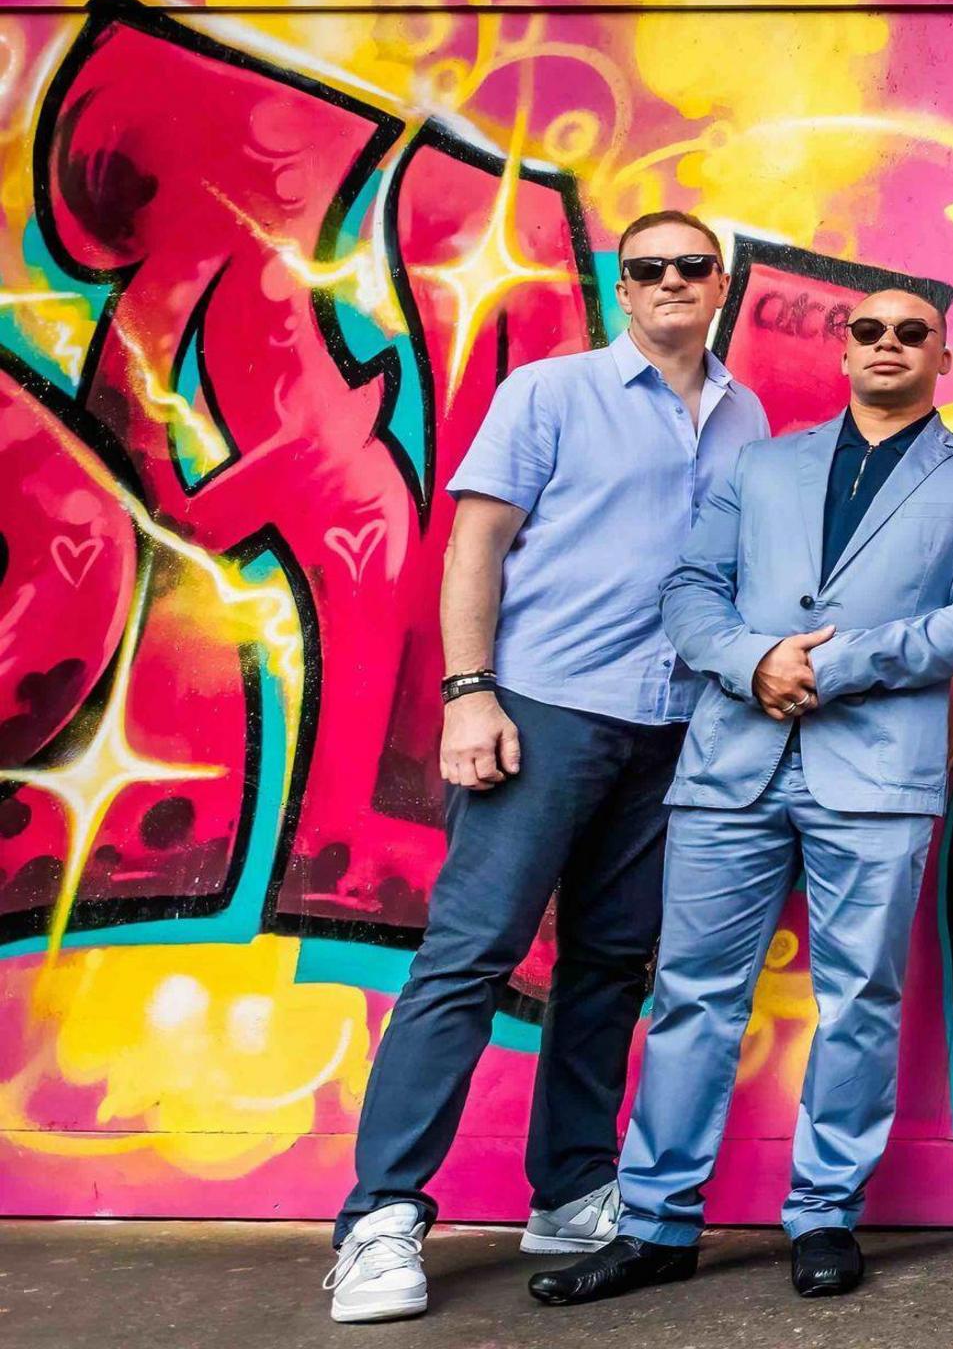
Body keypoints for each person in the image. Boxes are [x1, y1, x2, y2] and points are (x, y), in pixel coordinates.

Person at [528, 288, 953, 1306]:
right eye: (869, 331)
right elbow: (687, 591)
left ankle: (824, 1217)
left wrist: (836, 666)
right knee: (690, 997)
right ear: (844, 350)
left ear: (943, 358)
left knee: (860, 1001)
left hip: (875, 777)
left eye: (911, 333)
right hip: (730, 767)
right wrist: (753, 662)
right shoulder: (765, 465)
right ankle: (660, 1222)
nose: (888, 345)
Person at [323, 212, 769, 1326]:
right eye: (647, 270)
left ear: (723, 285)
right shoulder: (549, 392)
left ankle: (571, 1191)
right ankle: (379, 1219)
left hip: (673, 727)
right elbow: (475, 540)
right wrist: (471, 693)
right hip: (545, 712)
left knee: (613, 967)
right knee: (470, 956)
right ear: (624, 288)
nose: (669, 283)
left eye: (690, 268)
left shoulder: (745, 413)